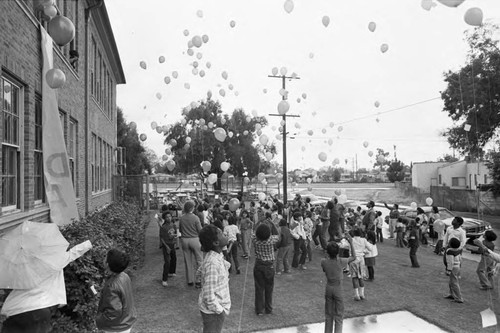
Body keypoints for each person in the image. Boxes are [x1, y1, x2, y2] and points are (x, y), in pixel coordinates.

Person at [196, 224, 231, 333]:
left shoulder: (215, 256)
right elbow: (208, 294)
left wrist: (224, 265)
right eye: (221, 233)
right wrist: (220, 311)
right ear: (216, 243)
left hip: (214, 310)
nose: (224, 234)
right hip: (213, 312)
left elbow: (199, 272)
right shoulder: (212, 263)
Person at [96, 249, 137, 333]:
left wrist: (98, 320)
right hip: (126, 321)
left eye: (105, 257)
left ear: (107, 264)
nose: (103, 259)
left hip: (117, 327)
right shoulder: (124, 276)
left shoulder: (112, 286)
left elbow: (113, 313)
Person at [321, 236, 356, 333]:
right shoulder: (341, 261)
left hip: (328, 288)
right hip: (338, 289)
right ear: (337, 252)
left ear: (328, 252)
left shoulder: (323, 262)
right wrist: (351, 243)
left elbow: (325, 266)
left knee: (328, 315)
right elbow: (354, 257)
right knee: (339, 316)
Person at [252, 223, 280, 315]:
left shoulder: (255, 240)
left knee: (259, 288)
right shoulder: (271, 240)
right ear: (269, 234)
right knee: (269, 288)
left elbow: (253, 232)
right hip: (269, 266)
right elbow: (278, 234)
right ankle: (268, 309)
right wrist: (272, 223)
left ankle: (259, 310)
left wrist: (258, 223)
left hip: (259, 265)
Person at [179, 200, 203, 288]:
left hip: (185, 240)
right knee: (199, 260)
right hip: (195, 239)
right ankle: (198, 280)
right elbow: (200, 230)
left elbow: (180, 230)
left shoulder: (182, 218)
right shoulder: (196, 218)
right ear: (193, 208)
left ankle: (190, 280)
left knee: (188, 261)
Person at [349, 228, 373, 301]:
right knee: (361, 276)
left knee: (354, 277)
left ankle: (357, 295)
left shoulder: (351, 240)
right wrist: (364, 251)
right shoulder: (364, 240)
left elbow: (343, 245)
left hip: (353, 259)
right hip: (361, 259)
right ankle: (362, 294)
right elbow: (370, 248)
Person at [159, 212, 178, 286]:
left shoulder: (173, 225)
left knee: (174, 258)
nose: (169, 218)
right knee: (167, 262)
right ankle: (164, 279)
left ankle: (171, 272)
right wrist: (166, 247)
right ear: (164, 218)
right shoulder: (163, 227)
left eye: (170, 216)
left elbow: (175, 234)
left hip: (172, 244)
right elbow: (162, 238)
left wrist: (175, 241)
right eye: (167, 217)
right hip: (166, 245)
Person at [444, 238, 464, 303]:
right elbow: (460, 259)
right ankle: (452, 294)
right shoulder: (458, 250)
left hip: (453, 267)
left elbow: (450, 262)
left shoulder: (449, 251)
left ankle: (459, 298)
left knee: (454, 282)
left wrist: (448, 270)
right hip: (457, 266)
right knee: (452, 281)